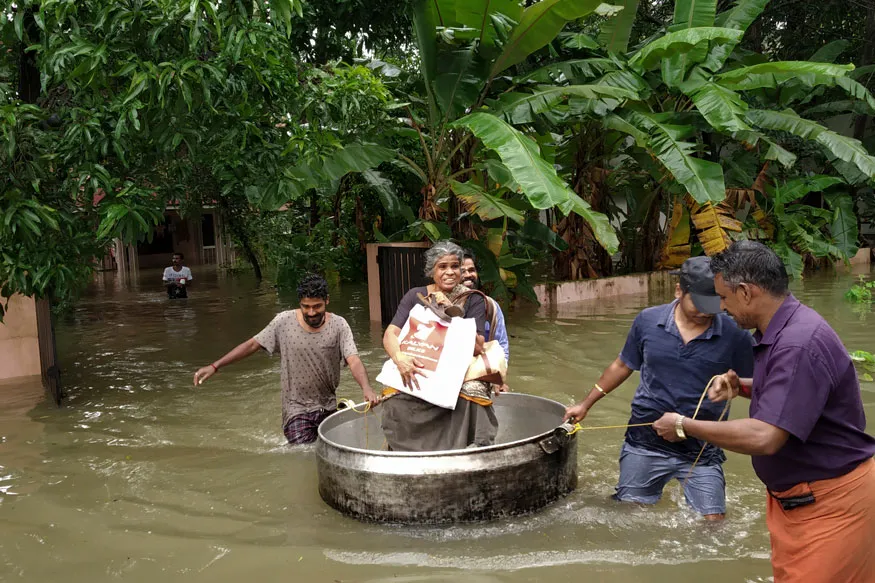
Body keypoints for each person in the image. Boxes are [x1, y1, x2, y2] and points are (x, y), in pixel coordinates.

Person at [653, 241, 875, 582]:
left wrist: (684, 424)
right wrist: (741, 386)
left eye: (724, 298)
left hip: (832, 504)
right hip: (801, 501)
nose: (722, 309)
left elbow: (766, 436)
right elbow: (800, 391)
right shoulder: (785, 329)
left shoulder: (797, 343)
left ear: (745, 292)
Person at [564, 256, 754, 520]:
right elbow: (622, 365)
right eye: (699, 303)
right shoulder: (648, 321)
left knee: (713, 525)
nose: (706, 312)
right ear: (679, 291)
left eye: (716, 304)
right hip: (646, 441)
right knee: (630, 517)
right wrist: (586, 404)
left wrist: (736, 385)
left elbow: (761, 385)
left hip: (701, 447)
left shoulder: (736, 333)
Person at [193, 274, 379, 444]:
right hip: (295, 409)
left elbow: (353, 359)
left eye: (317, 306)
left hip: (327, 407)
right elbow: (252, 344)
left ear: (327, 301)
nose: (311, 312)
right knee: (302, 455)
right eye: (306, 307)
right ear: (299, 304)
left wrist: (367, 389)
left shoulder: (339, 325)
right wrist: (215, 366)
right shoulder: (283, 322)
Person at [380, 241, 498, 451]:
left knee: (474, 390)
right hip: (424, 360)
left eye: (455, 266)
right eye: (442, 267)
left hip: (458, 366)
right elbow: (391, 334)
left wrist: (449, 311)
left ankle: (476, 448)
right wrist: (400, 358)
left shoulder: (473, 299)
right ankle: (402, 449)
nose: (450, 272)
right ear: (431, 271)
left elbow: (478, 346)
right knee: (393, 391)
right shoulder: (415, 296)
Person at [461, 252, 510, 362]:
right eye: (462, 271)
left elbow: (502, 347)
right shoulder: (442, 306)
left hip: (481, 370)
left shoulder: (490, 305)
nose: (468, 275)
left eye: (471, 270)